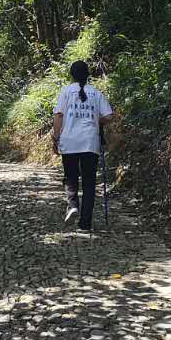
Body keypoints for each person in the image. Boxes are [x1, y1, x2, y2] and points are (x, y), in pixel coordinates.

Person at [51, 60, 113, 233]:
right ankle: (85, 223)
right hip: (90, 142)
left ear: (72, 74)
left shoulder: (66, 91)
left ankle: (72, 205)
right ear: (88, 75)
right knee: (89, 182)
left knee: (70, 177)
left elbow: (58, 116)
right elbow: (108, 116)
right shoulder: (96, 93)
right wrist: (96, 120)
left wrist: (56, 138)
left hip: (69, 141)